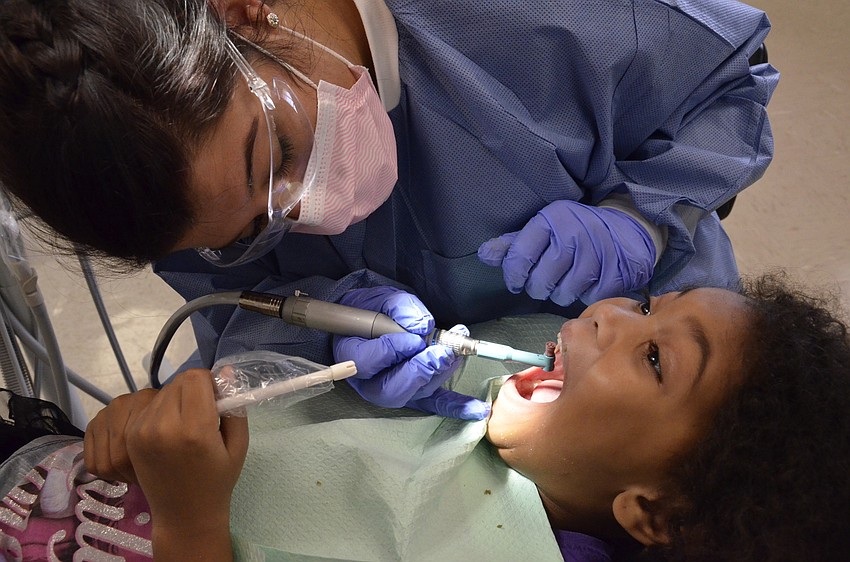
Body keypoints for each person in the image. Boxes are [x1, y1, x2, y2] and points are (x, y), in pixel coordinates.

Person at [0, 0, 780, 420]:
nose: (316, 215)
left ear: (244, 12)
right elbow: (233, 316)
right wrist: (319, 320)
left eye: (275, 151)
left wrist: (638, 218)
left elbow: (728, 76)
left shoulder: (536, 17)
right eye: (250, 231)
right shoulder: (155, 184)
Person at [2, 273, 849, 561]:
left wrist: (189, 521)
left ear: (653, 510)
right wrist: (153, 425)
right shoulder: (526, 431)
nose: (609, 315)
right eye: (648, 303)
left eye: (656, 357)